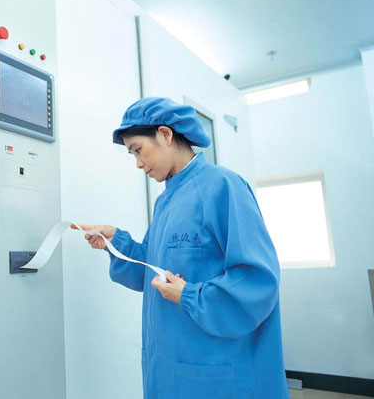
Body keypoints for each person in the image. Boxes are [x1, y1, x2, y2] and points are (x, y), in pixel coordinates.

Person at [74, 97, 289, 399]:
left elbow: (258, 281)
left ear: (165, 134)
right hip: (168, 367)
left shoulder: (223, 185)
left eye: (138, 149)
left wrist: (189, 294)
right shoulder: (166, 201)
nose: (138, 163)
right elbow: (155, 271)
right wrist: (115, 243)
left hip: (215, 370)